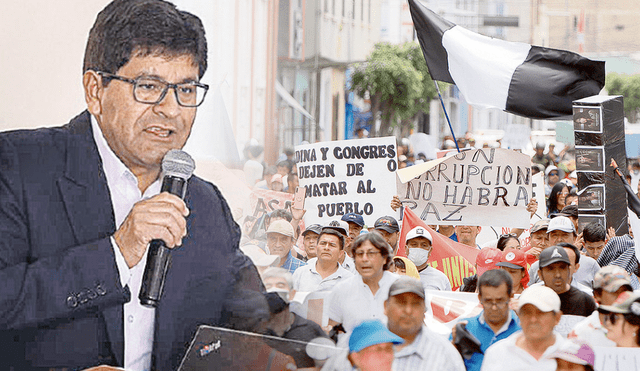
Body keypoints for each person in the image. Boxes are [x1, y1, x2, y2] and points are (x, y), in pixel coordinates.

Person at [0, 1, 269, 369]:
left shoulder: (205, 204)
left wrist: (328, 342)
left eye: (186, 90)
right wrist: (116, 252)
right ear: (95, 90)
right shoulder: (16, 166)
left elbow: (257, 317)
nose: (171, 109)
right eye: (149, 86)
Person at [386, 277, 465, 371]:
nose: (408, 310)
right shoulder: (369, 345)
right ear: (385, 306)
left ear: (424, 309)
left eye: (415, 304)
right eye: (401, 303)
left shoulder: (445, 353)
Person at [327, 233, 398, 335]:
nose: (364, 259)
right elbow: (332, 329)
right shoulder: (342, 289)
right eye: (360, 254)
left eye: (371, 254)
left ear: (385, 258)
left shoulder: (400, 287)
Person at [481, 286, 566, 371]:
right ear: (519, 316)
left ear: (557, 318)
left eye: (540, 313)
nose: (533, 319)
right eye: (527, 312)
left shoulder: (571, 356)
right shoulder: (497, 353)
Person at [451, 269, 520, 371]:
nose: (494, 307)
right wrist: (453, 346)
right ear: (480, 298)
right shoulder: (465, 329)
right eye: (488, 301)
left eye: (500, 301)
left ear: (511, 296)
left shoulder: (523, 330)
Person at [260, 267, 330, 368]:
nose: (274, 290)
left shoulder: (310, 328)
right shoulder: (251, 329)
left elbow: (328, 365)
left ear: (292, 294)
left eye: (280, 285)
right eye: (268, 286)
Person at [569, 266, 633, 347]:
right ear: (598, 294)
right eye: (614, 292)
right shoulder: (582, 332)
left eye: (625, 292)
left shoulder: (635, 329)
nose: (621, 297)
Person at [537, 246, 596, 317]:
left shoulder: (585, 301)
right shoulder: (531, 300)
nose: (557, 275)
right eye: (550, 269)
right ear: (540, 274)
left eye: (562, 268)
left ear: (569, 270)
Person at [291, 229, 353, 293]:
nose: (326, 248)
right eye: (323, 243)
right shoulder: (300, 273)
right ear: (317, 248)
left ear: (340, 253)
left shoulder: (349, 279)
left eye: (332, 245)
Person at [404, 226, 451, 291]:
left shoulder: (441, 278)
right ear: (406, 249)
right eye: (414, 244)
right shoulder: (395, 274)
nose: (419, 248)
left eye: (424, 245)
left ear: (430, 250)